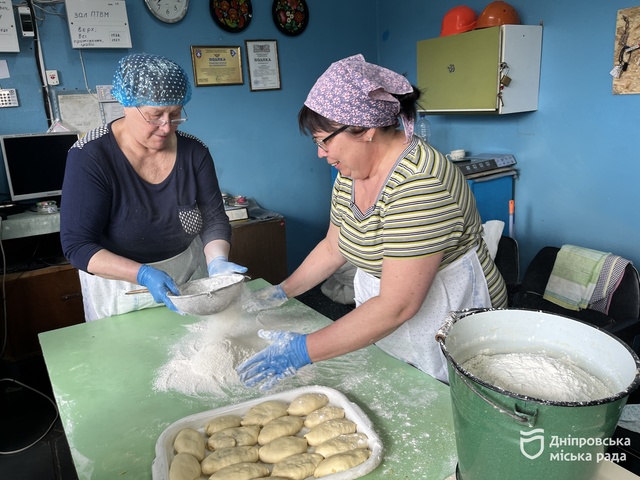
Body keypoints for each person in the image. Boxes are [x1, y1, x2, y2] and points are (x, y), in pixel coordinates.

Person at [237, 54, 507, 389]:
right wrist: (281, 292)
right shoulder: (350, 173)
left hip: (449, 312)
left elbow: (397, 305)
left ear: (365, 129)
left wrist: (303, 350)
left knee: (443, 396)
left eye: (324, 140)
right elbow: (334, 246)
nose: (320, 153)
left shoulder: (419, 183)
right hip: (387, 314)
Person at [60, 53, 246, 321]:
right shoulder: (90, 156)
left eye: (175, 115)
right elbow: (77, 246)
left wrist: (217, 262)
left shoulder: (194, 152)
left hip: (189, 278)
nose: (166, 127)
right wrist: (143, 274)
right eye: (155, 115)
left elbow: (214, 219)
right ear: (127, 105)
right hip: (121, 287)